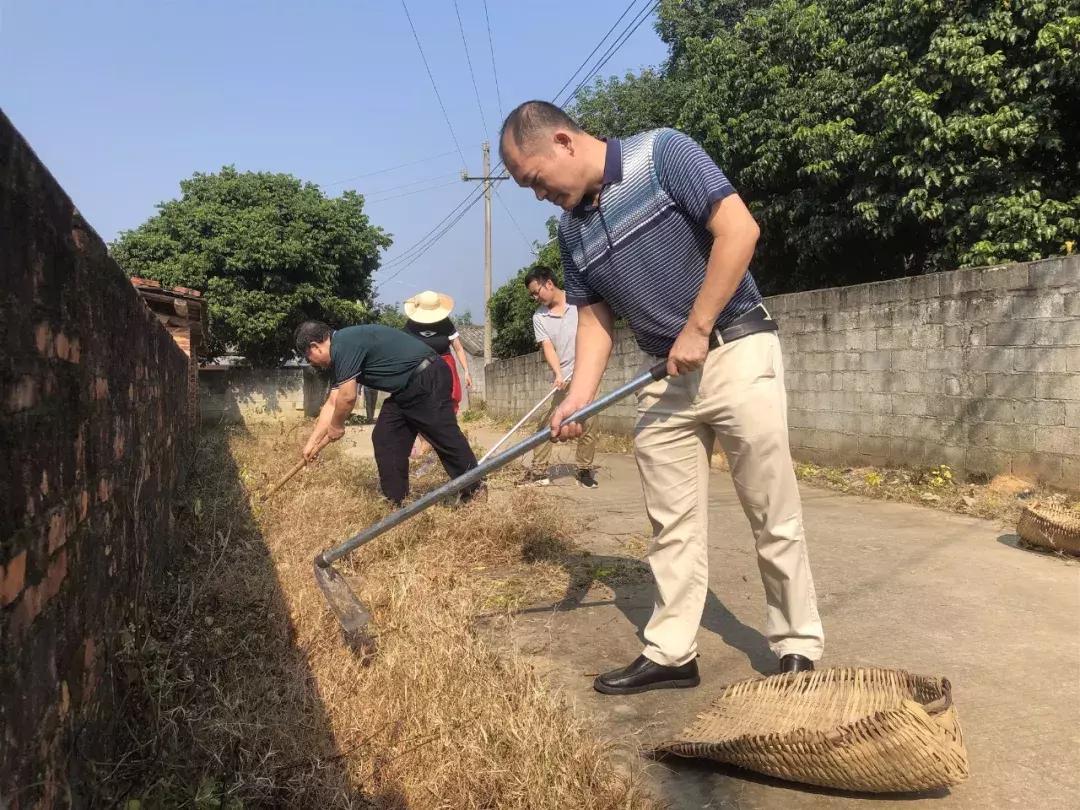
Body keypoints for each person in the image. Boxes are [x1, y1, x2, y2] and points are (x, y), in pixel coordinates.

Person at [499, 101, 824, 695]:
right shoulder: (571, 229)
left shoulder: (663, 153)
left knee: (770, 510)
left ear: (564, 142)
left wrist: (698, 328)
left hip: (735, 348)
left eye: (535, 180)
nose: (538, 194)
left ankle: (797, 642)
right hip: (664, 377)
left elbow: (740, 230)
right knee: (670, 524)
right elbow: (595, 320)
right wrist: (578, 397)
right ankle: (673, 651)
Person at [294, 321, 485, 507]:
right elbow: (333, 401)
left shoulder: (343, 346)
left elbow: (348, 397)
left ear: (315, 346)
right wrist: (312, 443)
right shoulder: (342, 350)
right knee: (386, 438)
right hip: (405, 389)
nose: (313, 363)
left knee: (444, 436)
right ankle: (397, 503)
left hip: (427, 377)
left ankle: (475, 491)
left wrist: (337, 426)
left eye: (309, 357)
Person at [519, 267, 597, 489]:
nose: (535, 298)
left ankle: (584, 470)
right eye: (532, 295)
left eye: (536, 292)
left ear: (549, 283)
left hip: (587, 372)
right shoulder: (539, 317)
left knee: (589, 422)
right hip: (563, 377)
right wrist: (559, 373)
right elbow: (548, 347)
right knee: (548, 421)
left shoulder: (578, 301)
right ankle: (539, 471)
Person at [402, 291, 473, 466]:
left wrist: (466, 371)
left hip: (445, 368)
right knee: (419, 406)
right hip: (420, 370)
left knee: (445, 408)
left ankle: (444, 446)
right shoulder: (411, 325)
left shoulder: (445, 324)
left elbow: (458, 348)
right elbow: (403, 349)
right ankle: (425, 442)